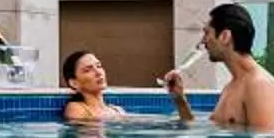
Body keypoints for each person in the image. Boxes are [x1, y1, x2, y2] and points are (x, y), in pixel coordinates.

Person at [163, 3, 274, 132]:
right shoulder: (231, 87)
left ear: (225, 36)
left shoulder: (260, 85)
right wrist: (180, 100)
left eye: (207, 33)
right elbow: (201, 128)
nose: (203, 42)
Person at [60, 48, 198, 125]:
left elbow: (184, 123)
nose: (98, 72)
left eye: (99, 66)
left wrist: (179, 99)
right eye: (88, 70)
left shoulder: (117, 110)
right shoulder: (77, 108)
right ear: (74, 83)